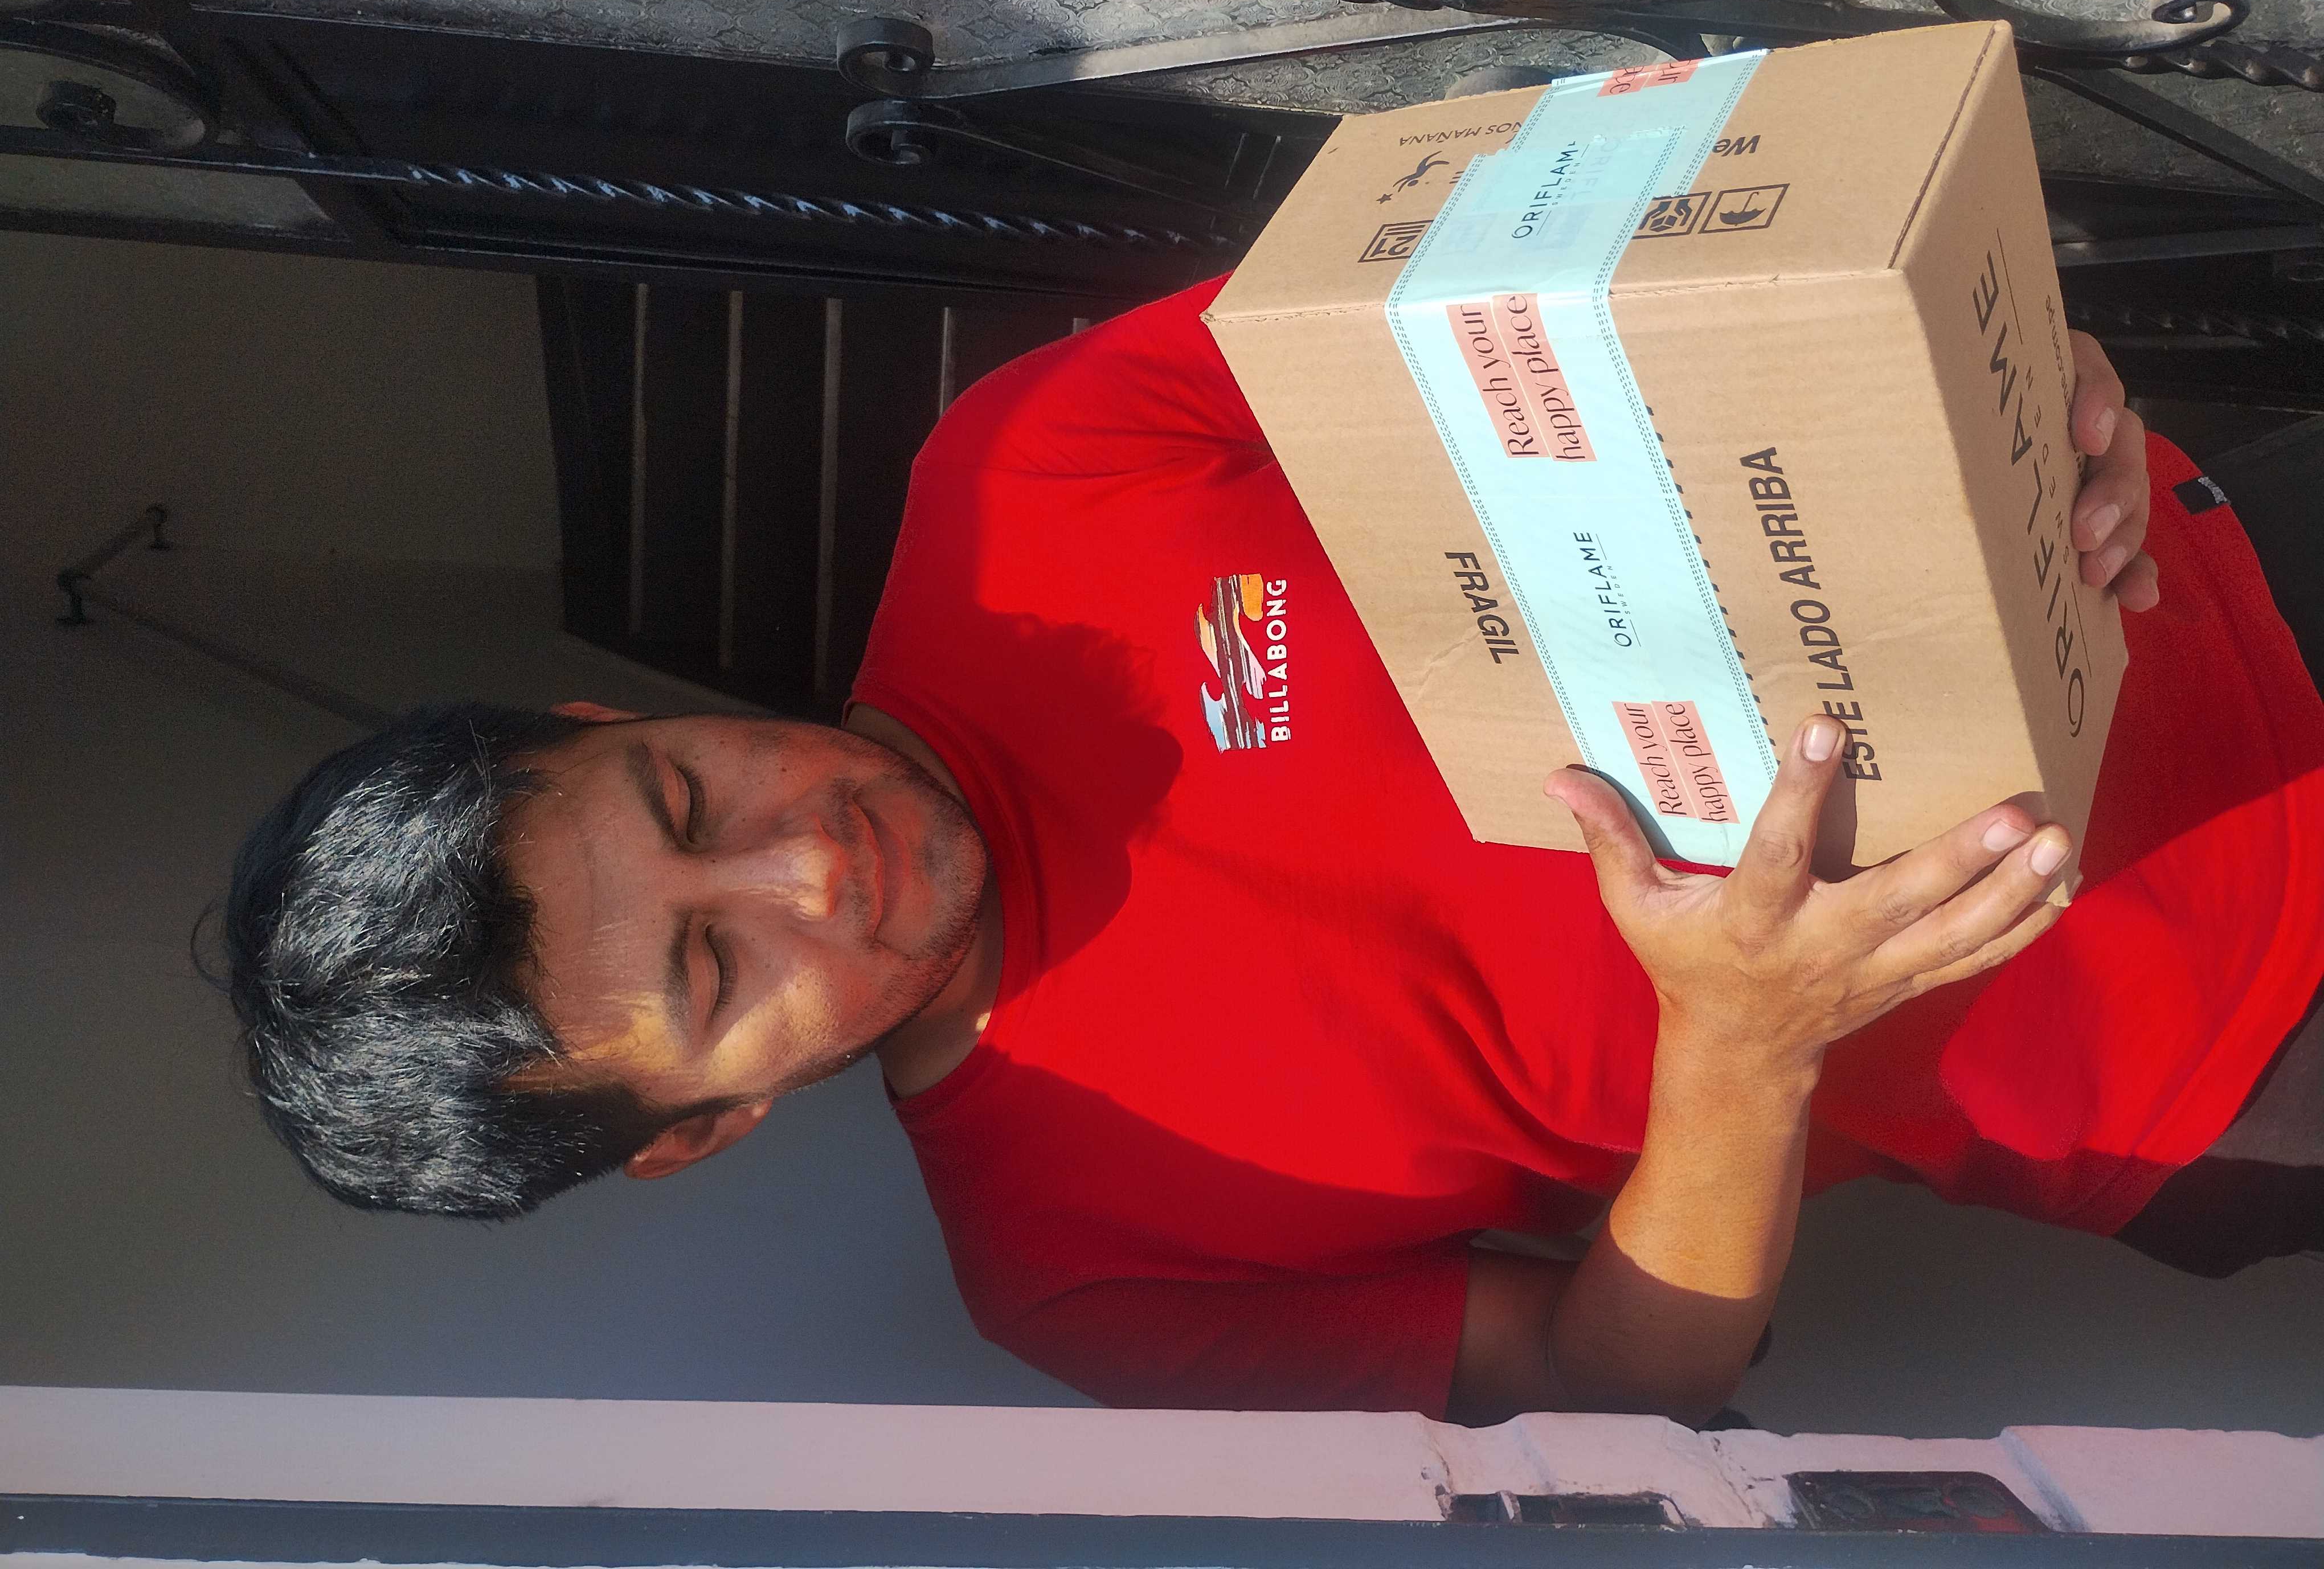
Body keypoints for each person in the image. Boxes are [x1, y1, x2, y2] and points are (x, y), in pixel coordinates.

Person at [218, 276, 2324, 1425]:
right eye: (712, 970)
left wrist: (1978, 349)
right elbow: (1627, 1384)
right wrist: (1740, 1044)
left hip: (2210, 563)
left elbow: (1594, 290)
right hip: (2222, 1054)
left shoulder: (1020, 473)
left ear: (613, 724)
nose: (807, 869)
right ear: (697, 1132)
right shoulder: (1080, 1279)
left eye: (687, 801)